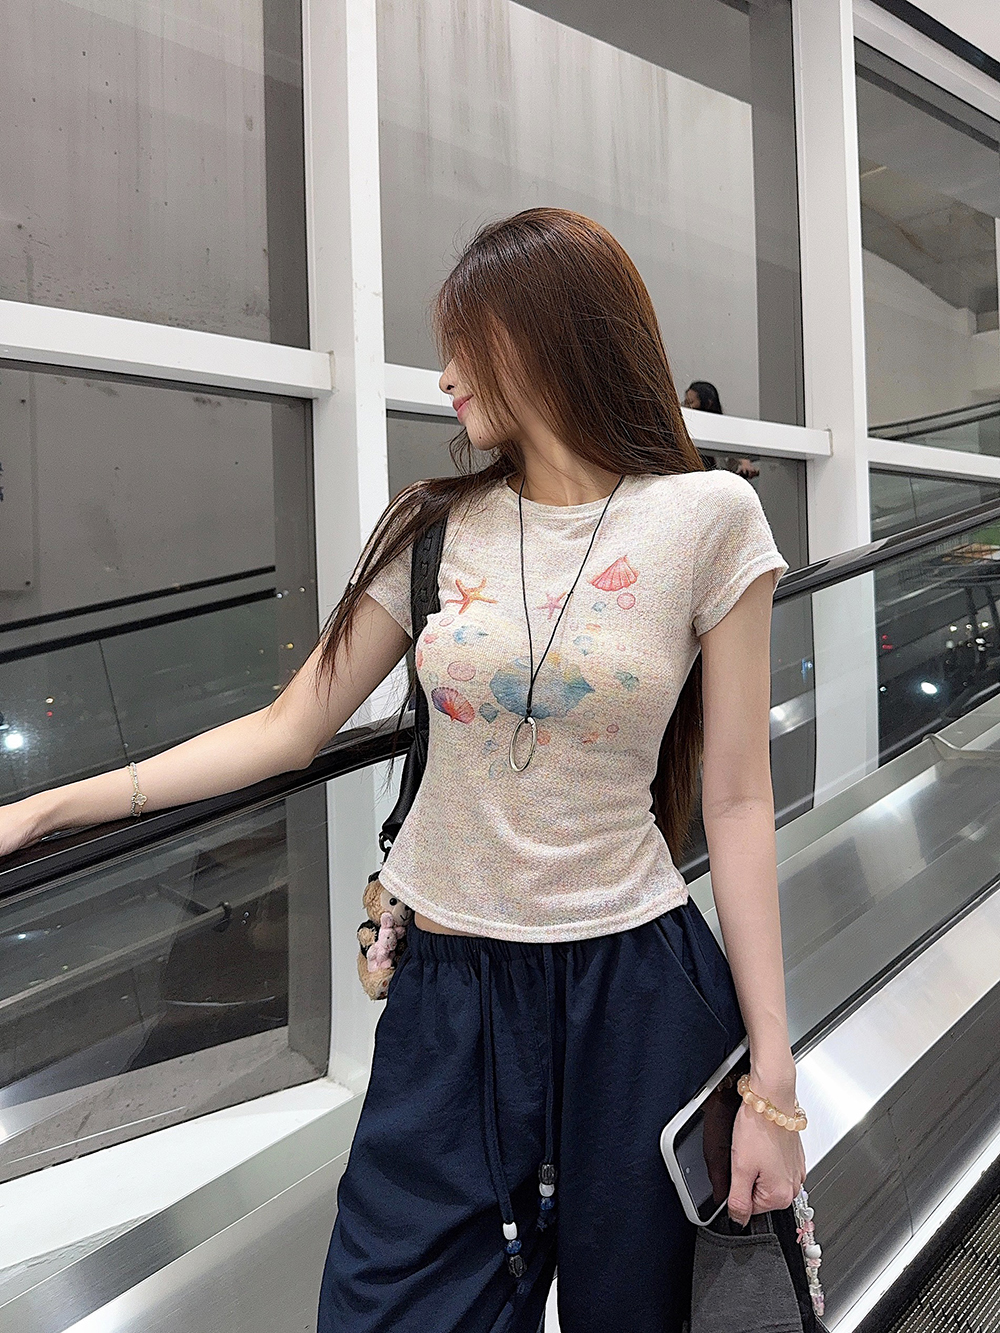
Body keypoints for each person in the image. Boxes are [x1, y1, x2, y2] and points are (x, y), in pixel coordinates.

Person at [0, 208, 802, 1332]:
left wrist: (772, 1081)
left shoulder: (709, 517)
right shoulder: (433, 528)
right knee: (385, 1306)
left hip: (633, 990)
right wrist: (49, 807)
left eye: (466, 345)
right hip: (449, 992)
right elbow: (288, 728)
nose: (445, 378)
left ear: (545, 335)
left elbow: (738, 796)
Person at [683, 380, 760, 480]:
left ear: (708, 403)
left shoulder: (724, 429)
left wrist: (745, 465)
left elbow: (738, 450)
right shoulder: (685, 429)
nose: (686, 407)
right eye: (685, 403)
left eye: (690, 403)